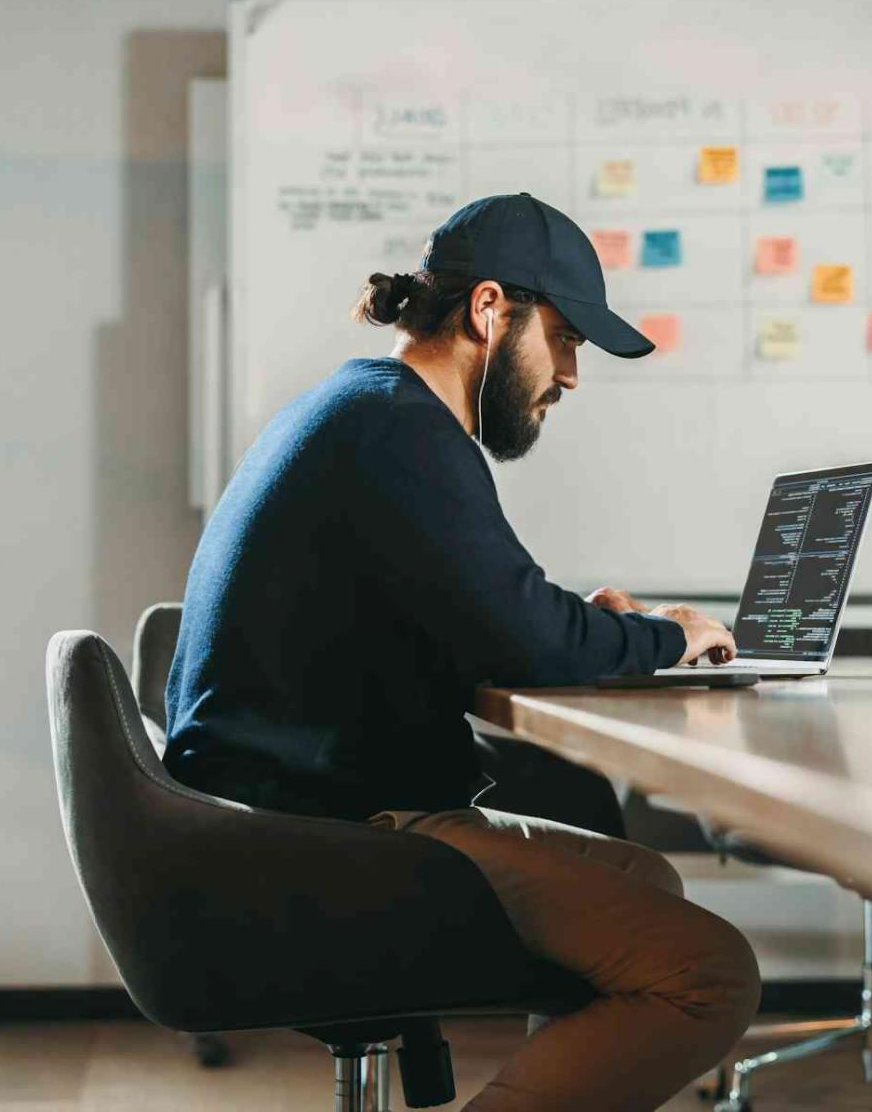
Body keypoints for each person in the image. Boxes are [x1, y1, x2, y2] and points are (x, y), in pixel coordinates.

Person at [165, 193, 759, 1111]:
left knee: (644, 876)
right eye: (563, 339)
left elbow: (497, 614)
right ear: (490, 310)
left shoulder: (364, 408)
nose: (570, 375)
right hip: (324, 842)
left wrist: (601, 628)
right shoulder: (400, 430)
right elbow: (527, 636)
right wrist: (674, 636)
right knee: (709, 971)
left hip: (276, 818)